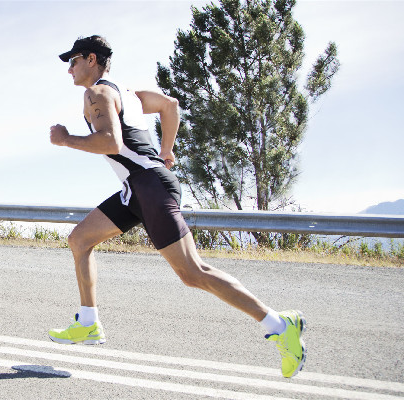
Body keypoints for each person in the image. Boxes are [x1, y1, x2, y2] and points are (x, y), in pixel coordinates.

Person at [48, 35, 306, 379]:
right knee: (80, 239)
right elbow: (170, 106)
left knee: (193, 273)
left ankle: (280, 324)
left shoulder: (97, 93)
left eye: (74, 61)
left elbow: (111, 141)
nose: (70, 69)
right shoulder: (130, 94)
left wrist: (66, 139)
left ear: (91, 59)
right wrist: (167, 150)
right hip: (137, 189)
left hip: (149, 187)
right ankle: (88, 321)